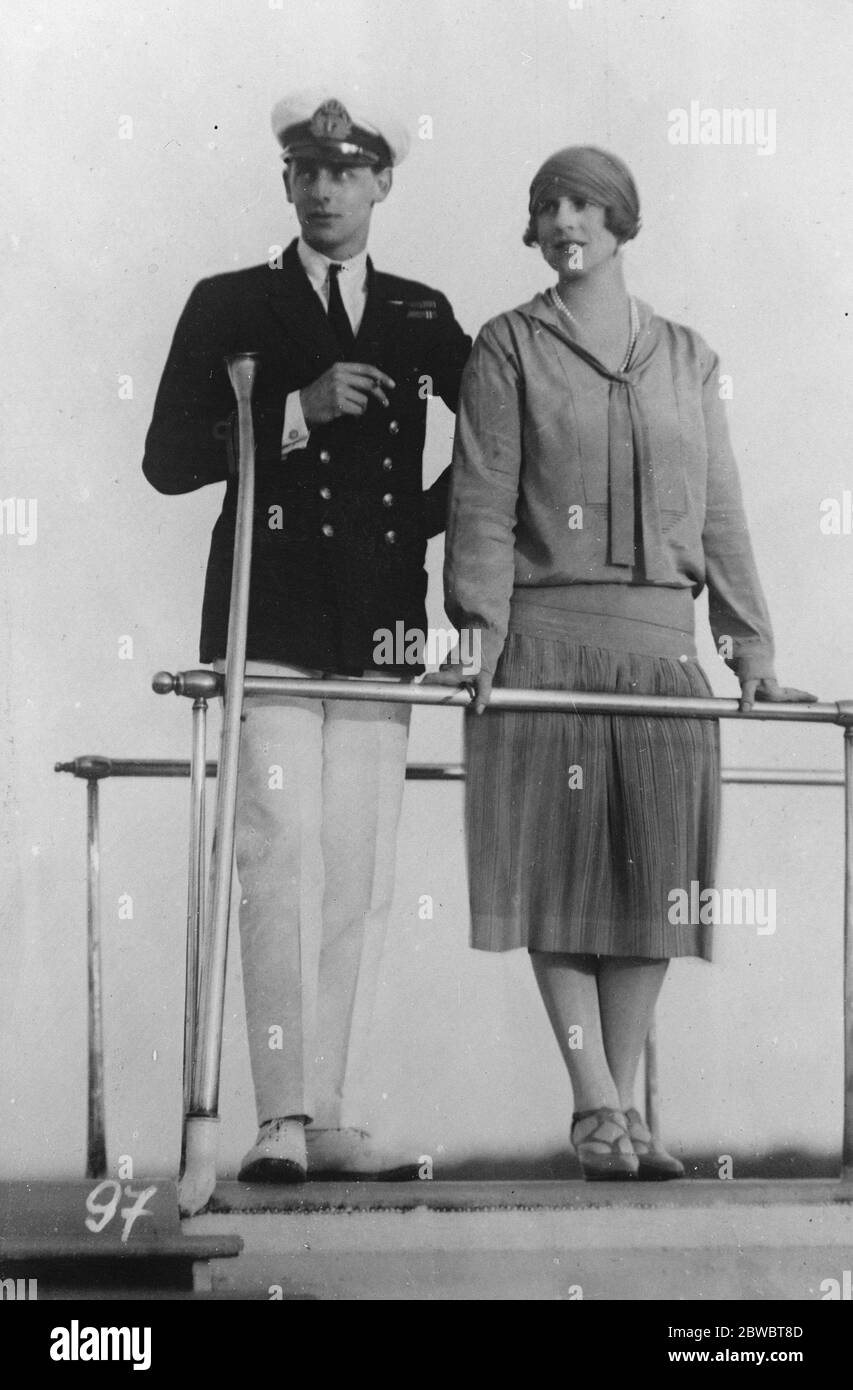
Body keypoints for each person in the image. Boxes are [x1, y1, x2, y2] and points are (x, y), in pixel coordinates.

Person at [431, 146, 814, 1180]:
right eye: (546, 202)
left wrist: (749, 650)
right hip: (545, 643)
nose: (565, 219)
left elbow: (722, 508)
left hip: (658, 651)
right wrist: (480, 631)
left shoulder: (686, 357)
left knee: (655, 883)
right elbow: (482, 494)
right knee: (555, 878)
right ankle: (595, 1100)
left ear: (621, 220)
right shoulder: (509, 346)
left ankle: (628, 1103)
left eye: (585, 202)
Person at [142, 89, 470, 1182]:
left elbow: (502, 427)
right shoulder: (232, 302)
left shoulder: (424, 313)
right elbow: (168, 457)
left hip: (378, 623)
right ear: (286, 182)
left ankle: (335, 1112)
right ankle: (278, 1115)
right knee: (278, 857)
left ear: (383, 183)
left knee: (362, 870)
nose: (326, 189)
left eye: (348, 170)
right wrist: (294, 408)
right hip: (270, 613)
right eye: (307, 171)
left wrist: (438, 517)